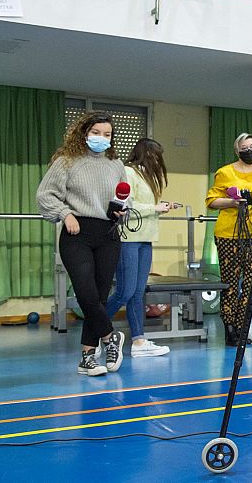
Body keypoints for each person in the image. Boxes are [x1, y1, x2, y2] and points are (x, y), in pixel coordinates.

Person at [37, 111, 128, 377]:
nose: (102, 138)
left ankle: (88, 357)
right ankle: (111, 337)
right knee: (85, 293)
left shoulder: (116, 165)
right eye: (96, 133)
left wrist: (121, 210)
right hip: (77, 232)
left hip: (108, 233)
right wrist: (65, 214)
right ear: (84, 133)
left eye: (107, 134)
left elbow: (124, 198)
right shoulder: (67, 162)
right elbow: (45, 195)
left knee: (98, 297)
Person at [104, 138, 174, 357]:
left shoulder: (148, 177)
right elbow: (126, 203)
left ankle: (139, 341)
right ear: (147, 154)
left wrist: (160, 207)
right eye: (156, 154)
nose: (159, 160)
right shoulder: (128, 172)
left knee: (138, 292)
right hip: (128, 239)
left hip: (146, 239)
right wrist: (155, 207)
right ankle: (95, 327)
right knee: (124, 291)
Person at [205, 133, 252, 346]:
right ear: (237, 151)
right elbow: (211, 200)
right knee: (231, 283)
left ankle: (243, 325)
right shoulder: (225, 172)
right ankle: (229, 328)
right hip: (229, 234)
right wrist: (232, 202)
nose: (249, 151)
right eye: (245, 148)